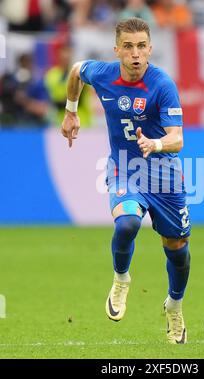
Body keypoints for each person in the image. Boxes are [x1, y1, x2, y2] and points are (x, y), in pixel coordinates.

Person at [61, 17, 191, 344]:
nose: (135, 53)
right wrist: (71, 110)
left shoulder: (162, 84)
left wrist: (156, 143)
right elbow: (76, 70)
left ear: (150, 48)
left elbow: (177, 139)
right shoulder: (103, 74)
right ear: (117, 49)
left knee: (177, 249)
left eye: (142, 46)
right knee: (127, 223)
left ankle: (174, 306)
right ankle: (121, 279)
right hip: (125, 167)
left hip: (163, 174)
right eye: (129, 46)